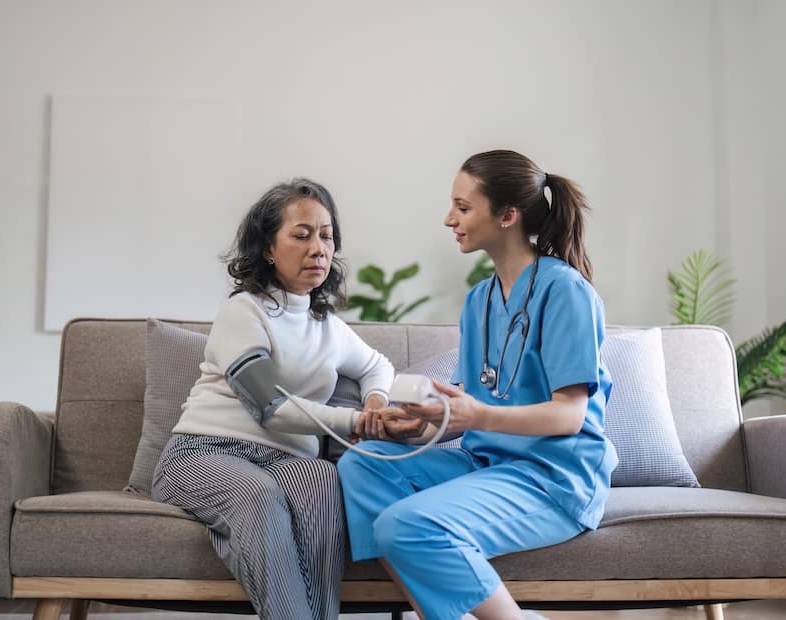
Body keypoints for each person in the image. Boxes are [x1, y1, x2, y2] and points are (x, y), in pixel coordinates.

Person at [339, 149, 618, 620]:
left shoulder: (565, 291)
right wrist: (417, 423)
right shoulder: (479, 301)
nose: (450, 218)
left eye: (463, 207)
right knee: (364, 465)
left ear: (508, 215)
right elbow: (466, 405)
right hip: (487, 464)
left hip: (552, 478)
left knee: (407, 524)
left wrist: (477, 416)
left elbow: (569, 415)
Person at [151, 178, 396, 620]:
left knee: (323, 485)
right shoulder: (243, 312)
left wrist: (376, 399)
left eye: (326, 235)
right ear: (268, 248)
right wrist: (357, 422)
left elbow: (376, 364)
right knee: (258, 496)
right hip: (202, 454)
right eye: (301, 235)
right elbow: (272, 408)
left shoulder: (327, 326)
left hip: (284, 461)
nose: (318, 248)